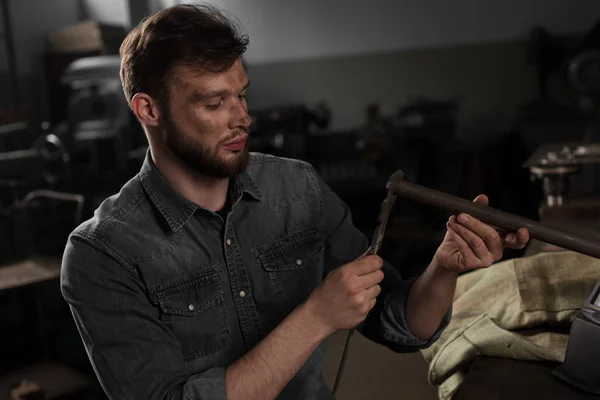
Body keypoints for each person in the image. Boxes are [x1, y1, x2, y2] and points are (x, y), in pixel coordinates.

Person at [60, 4, 530, 400]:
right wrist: (317, 316)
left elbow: (397, 323)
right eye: (214, 103)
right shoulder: (103, 254)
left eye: (242, 95)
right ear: (149, 109)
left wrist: (444, 268)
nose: (241, 118)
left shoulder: (297, 187)